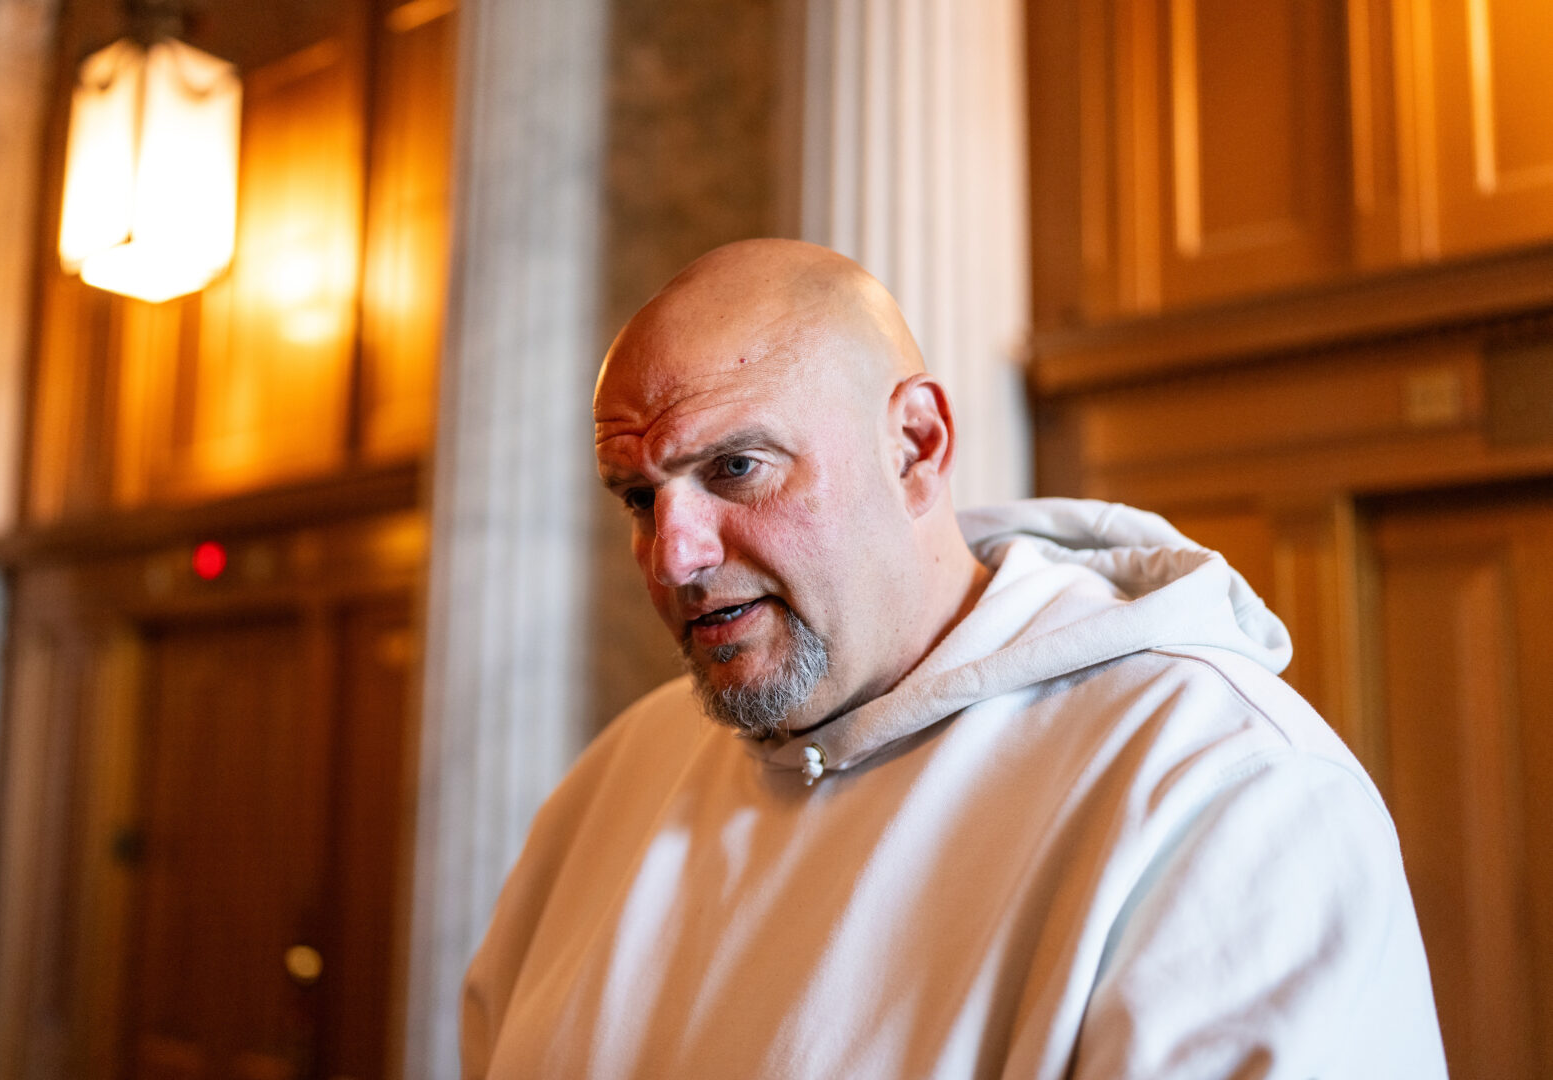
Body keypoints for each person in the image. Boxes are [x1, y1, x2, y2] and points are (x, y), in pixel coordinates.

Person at [461, 239, 1447, 1079]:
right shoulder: (616, 779)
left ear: (915, 444)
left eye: (735, 468)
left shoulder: (1225, 790)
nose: (675, 555)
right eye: (639, 498)